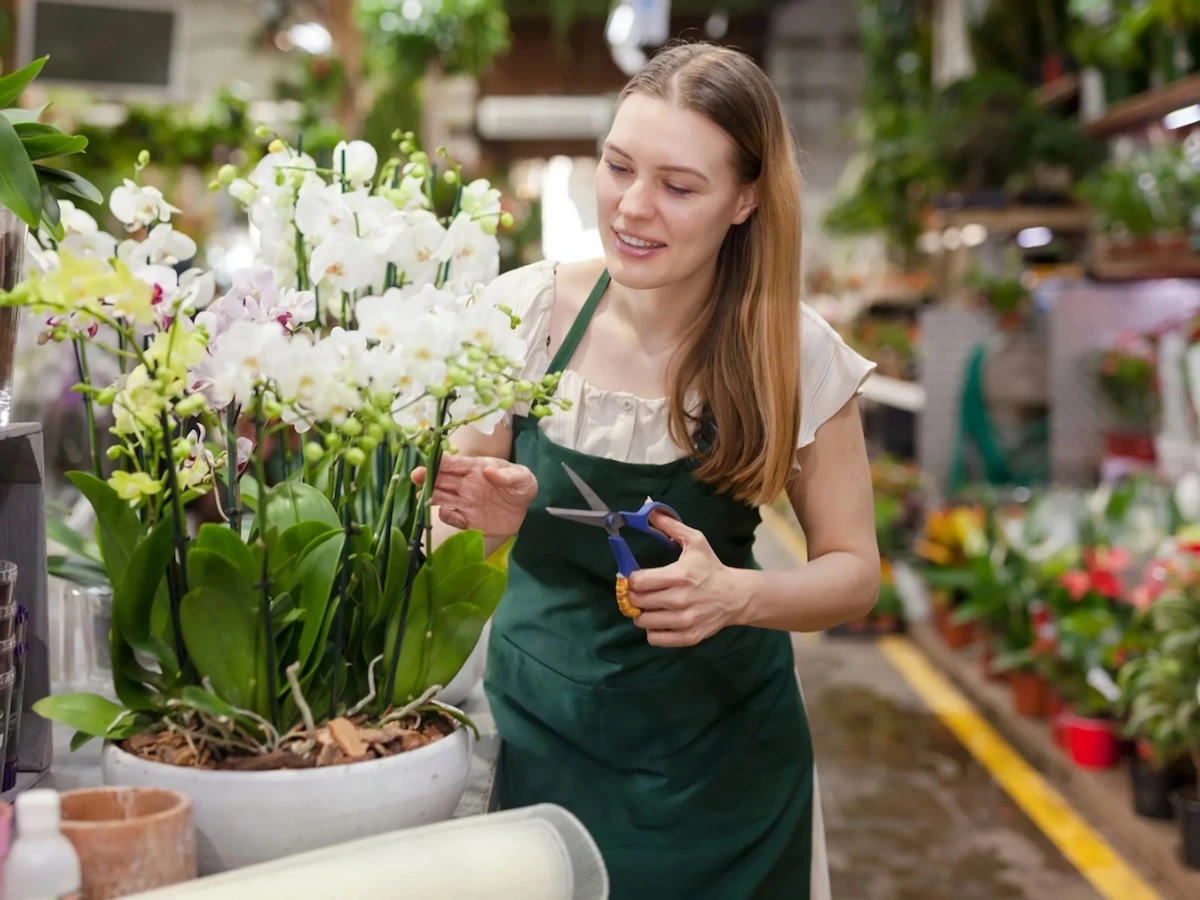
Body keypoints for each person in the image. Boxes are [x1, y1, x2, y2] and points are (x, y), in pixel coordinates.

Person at [417, 41, 880, 899]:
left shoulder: (791, 353)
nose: (633, 208)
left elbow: (854, 577)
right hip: (541, 753)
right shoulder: (520, 317)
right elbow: (452, 549)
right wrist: (476, 521)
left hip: (727, 777)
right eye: (619, 166)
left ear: (745, 199)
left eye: (678, 186)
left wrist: (737, 595)